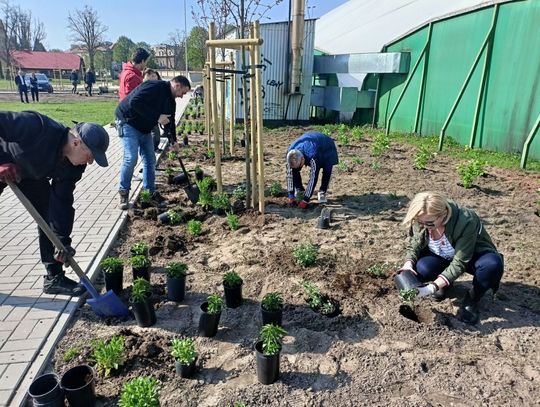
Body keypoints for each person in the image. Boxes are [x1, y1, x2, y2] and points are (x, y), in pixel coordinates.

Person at [0, 111, 110, 296]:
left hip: (29, 174)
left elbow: (62, 201)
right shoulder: (36, 126)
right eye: (90, 156)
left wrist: (62, 242)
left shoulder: (73, 166)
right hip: (6, 162)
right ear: (76, 143)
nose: (90, 162)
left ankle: (54, 278)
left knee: (48, 215)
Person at [397, 191, 504, 324]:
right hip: (442, 255)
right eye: (420, 222)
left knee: (491, 266)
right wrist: (408, 263)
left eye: (429, 223)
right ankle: (445, 285)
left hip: (472, 256)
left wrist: (431, 288)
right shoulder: (423, 216)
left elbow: (460, 261)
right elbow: (414, 243)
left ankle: (472, 298)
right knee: (423, 268)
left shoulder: (466, 220)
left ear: (444, 214)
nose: (425, 226)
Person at [115, 75, 191, 209]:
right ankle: (124, 192)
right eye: (183, 92)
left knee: (150, 160)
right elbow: (134, 102)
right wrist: (157, 117)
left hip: (144, 128)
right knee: (131, 158)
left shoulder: (171, 101)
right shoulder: (154, 86)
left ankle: (149, 194)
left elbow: (170, 121)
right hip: (128, 122)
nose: (182, 96)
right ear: (177, 85)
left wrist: (173, 141)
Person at [286, 132, 339, 209]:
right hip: (311, 143)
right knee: (294, 170)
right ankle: (300, 189)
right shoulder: (290, 155)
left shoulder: (313, 156)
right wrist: (291, 195)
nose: (300, 167)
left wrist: (305, 200)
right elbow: (289, 175)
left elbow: (313, 178)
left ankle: (322, 191)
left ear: (303, 159)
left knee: (327, 169)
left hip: (327, 146)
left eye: (300, 165)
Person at [142, 68, 164, 151]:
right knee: (155, 132)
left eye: (155, 75)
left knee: (154, 132)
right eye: (152, 75)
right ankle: (154, 148)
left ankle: (153, 148)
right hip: (149, 115)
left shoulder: (157, 86)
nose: (155, 77)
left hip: (155, 113)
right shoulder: (146, 87)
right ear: (146, 77)